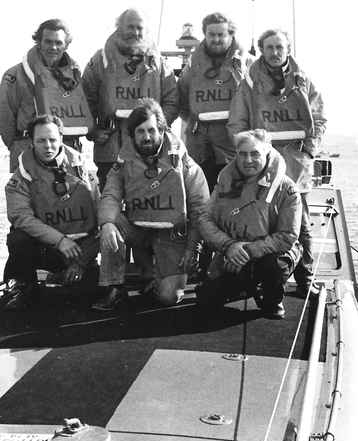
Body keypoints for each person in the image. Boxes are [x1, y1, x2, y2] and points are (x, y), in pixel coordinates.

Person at [227, 29, 326, 297]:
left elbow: (319, 118)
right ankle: (255, 278)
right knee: (258, 217)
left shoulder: (302, 80)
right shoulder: (249, 82)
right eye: (269, 47)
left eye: (279, 47)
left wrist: (310, 148)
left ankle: (305, 279)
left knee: (301, 223)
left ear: (288, 49)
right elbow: (237, 121)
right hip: (263, 161)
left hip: (296, 161)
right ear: (261, 50)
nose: (274, 52)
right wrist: (246, 152)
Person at [92, 98, 209, 311]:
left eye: (151, 130)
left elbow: (200, 210)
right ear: (132, 134)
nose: (146, 137)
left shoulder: (184, 163)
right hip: (140, 230)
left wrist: (193, 248)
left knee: (168, 297)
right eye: (140, 132)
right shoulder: (124, 160)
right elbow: (110, 194)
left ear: (162, 131)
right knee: (110, 220)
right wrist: (107, 223)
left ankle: (154, 275)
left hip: (172, 234)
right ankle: (114, 287)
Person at [196, 129, 301, 319]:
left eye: (255, 154)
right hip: (232, 252)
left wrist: (248, 251)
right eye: (242, 154)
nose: (248, 160)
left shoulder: (287, 189)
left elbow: (288, 236)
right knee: (206, 300)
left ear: (267, 153)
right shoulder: (224, 182)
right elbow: (204, 218)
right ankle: (246, 286)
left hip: (270, 254)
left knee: (273, 267)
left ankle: (272, 299)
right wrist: (228, 246)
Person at [3, 115, 100, 311]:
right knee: (17, 237)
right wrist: (59, 240)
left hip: (80, 249)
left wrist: (81, 262)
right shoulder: (20, 177)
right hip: (48, 247)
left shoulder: (83, 169)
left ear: (61, 139)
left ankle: (69, 275)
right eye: (41, 140)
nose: (48, 146)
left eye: (53, 140)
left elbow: (100, 220)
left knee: (85, 296)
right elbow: (20, 217)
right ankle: (25, 287)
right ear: (32, 142)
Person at [82, 9, 179, 190]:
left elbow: (172, 100)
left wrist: (157, 128)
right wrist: (93, 130)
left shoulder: (159, 63)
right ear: (119, 28)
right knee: (109, 199)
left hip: (150, 150)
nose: (135, 32)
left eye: (139, 28)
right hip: (110, 149)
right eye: (130, 27)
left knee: (147, 201)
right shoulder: (99, 61)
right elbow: (85, 98)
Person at [0, 19, 93, 173]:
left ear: (66, 45)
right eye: (48, 42)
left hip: (68, 153)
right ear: (39, 42)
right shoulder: (15, 75)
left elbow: (85, 110)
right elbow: (4, 118)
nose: (53, 47)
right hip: (28, 150)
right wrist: (19, 147)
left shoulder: (74, 76)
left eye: (58, 43)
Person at [177, 12, 254, 193]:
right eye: (212, 35)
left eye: (221, 35)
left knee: (235, 196)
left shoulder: (249, 64)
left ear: (231, 35)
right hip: (200, 145)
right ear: (205, 35)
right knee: (200, 195)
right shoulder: (192, 66)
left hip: (234, 145)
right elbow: (180, 100)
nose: (216, 39)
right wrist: (195, 119)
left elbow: (261, 101)